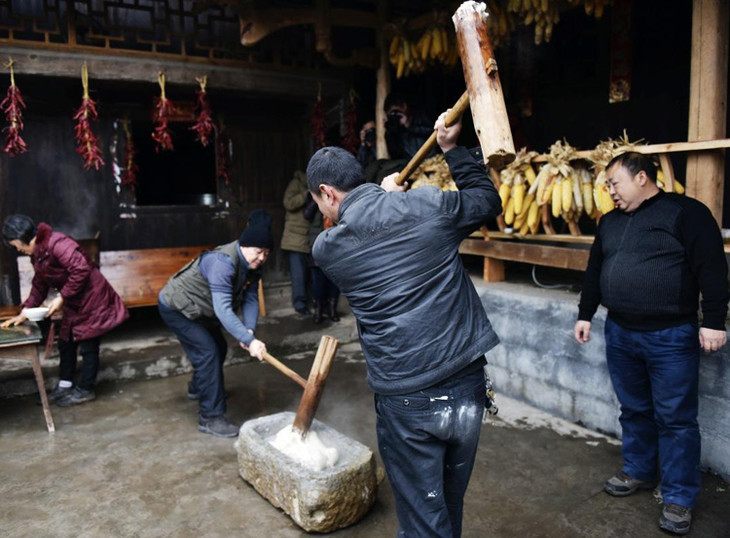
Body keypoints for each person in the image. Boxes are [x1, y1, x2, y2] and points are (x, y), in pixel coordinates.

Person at [306, 110, 501, 536]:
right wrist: (451, 149)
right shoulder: (428, 204)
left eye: (318, 202)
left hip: (407, 398)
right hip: (466, 385)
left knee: (423, 521)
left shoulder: (328, 250)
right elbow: (488, 202)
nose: (321, 210)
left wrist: (383, 194)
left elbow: (358, 227)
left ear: (327, 192)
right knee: (448, 506)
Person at [574, 152, 728, 536]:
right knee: (634, 409)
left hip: (670, 336)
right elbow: (595, 269)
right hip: (620, 332)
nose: (609, 191)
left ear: (642, 178)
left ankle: (678, 497)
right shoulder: (609, 222)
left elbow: (711, 268)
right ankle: (639, 471)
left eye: (614, 183)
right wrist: (585, 312)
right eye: (607, 186)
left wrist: (712, 321)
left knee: (675, 419)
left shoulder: (686, 212)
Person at [158, 210, 272, 438]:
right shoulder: (223, 263)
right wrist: (248, 340)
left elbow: (250, 298)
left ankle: (199, 388)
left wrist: (248, 329)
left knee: (218, 347)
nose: (261, 258)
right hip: (177, 307)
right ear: (245, 245)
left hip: (202, 309)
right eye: (258, 252)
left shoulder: (253, 266)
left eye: (266, 254)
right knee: (208, 352)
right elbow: (223, 310)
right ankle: (211, 417)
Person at [1, 215, 129, 406]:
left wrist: (62, 297)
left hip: (92, 298)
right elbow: (39, 284)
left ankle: (86, 389)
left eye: (16, 245)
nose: (17, 249)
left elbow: (81, 270)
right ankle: (65, 385)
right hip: (74, 300)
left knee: (88, 345)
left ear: (22, 237)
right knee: (66, 342)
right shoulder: (38, 253)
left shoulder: (58, 243)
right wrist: (24, 312)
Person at [303, 195, 340, 324]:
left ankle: (332, 310)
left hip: (335, 240)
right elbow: (307, 214)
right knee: (318, 279)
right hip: (317, 241)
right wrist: (316, 198)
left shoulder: (335, 194)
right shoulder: (313, 196)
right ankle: (318, 311)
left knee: (334, 278)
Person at [281, 170, 312, 315]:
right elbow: (288, 203)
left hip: (310, 236)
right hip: (295, 237)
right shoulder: (296, 183)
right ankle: (300, 305)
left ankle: (311, 303)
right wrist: (306, 194)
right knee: (298, 275)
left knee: (310, 274)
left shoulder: (318, 186)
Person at [384, 92, 434, 160]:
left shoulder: (419, 116)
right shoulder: (393, 128)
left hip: (429, 158)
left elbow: (433, 131)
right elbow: (394, 154)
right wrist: (390, 131)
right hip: (409, 162)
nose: (395, 116)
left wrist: (409, 126)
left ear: (405, 106)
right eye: (392, 113)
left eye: (397, 111)